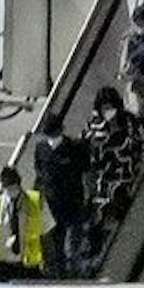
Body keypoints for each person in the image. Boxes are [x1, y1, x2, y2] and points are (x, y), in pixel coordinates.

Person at [81, 86, 144, 273]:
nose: (107, 112)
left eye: (110, 107)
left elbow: (142, 144)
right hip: (101, 181)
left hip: (124, 178)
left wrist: (139, 163)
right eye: (104, 108)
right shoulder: (93, 125)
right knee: (97, 220)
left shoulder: (130, 122)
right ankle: (94, 258)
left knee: (119, 215)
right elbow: (85, 148)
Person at [32, 115, 91, 277]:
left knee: (71, 244)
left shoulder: (75, 148)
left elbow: (85, 170)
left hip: (73, 201)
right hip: (53, 202)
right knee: (57, 242)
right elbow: (39, 172)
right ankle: (61, 273)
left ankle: (74, 270)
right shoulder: (41, 148)